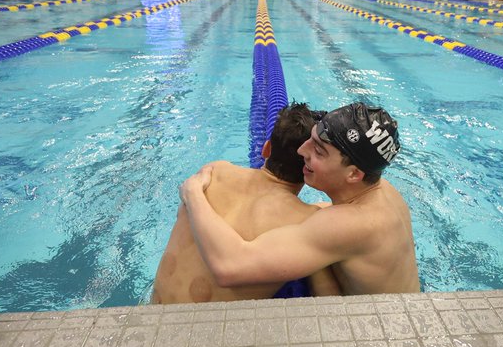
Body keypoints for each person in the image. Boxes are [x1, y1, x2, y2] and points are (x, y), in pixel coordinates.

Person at [180, 103, 420, 296]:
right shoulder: (382, 190)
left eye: (318, 151)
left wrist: (193, 193)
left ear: (354, 174)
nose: (301, 151)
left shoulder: (348, 224)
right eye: (311, 140)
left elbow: (229, 267)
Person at [153, 103, 340, 303]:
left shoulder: (213, 172)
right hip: (205, 330)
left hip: (151, 314)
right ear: (311, 169)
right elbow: (328, 302)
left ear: (266, 148)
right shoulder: (308, 222)